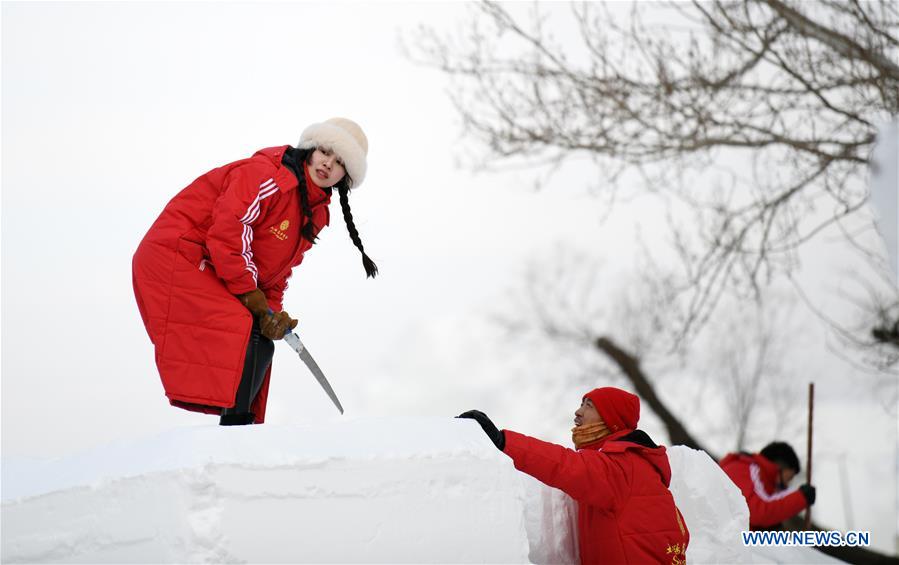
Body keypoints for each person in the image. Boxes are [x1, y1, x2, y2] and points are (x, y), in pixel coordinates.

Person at [132, 117, 376, 426]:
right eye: (325, 151)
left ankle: (239, 435)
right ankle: (235, 436)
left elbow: (275, 273)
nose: (328, 163)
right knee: (242, 332)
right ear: (311, 149)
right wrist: (252, 298)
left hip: (219, 265)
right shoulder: (268, 176)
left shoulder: (316, 212)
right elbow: (229, 232)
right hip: (178, 253)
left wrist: (270, 313)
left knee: (261, 342)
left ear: (345, 176)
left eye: (340, 162)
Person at [458, 387, 690, 564]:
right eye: (581, 404)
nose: (578, 412)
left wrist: (503, 442)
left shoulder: (622, 465)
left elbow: (565, 465)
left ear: (612, 420)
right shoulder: (642, 467)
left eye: (589, 405)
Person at [719, 441, 816, 530]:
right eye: (788, 478)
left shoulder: (753, 475)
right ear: (779, 468)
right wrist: (801, 498)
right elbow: (756, 513)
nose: (786, 486)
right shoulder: (743, 468)